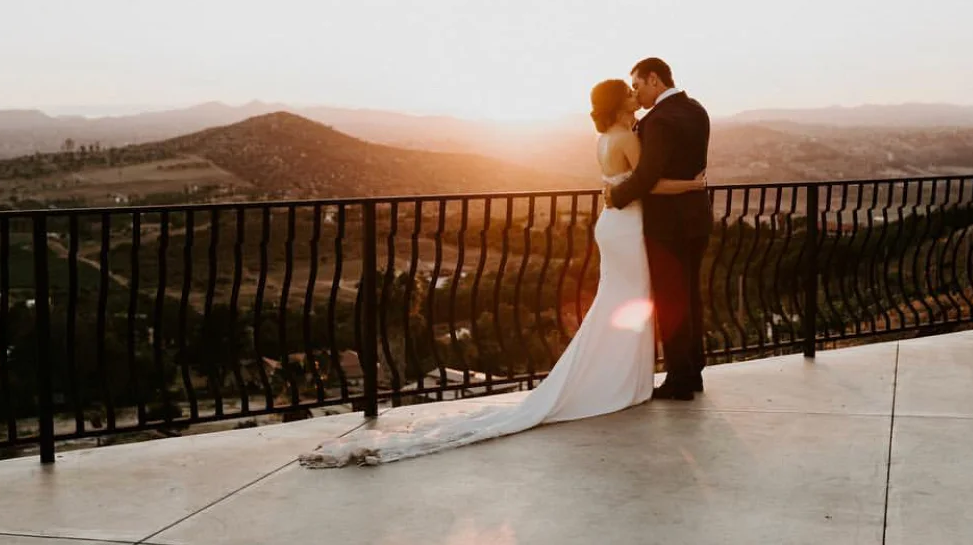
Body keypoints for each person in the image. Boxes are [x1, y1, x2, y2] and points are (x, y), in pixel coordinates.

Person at [299, 76, 705, 467]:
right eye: (629, 92)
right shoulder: (628, 138)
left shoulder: (604, 140)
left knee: (615, 302)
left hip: (612, 226)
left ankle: (614, 379)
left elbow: (625, 183)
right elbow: (647, 183)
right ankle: (621, 383)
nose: (635, 96)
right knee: (629, 301)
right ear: (618, 104)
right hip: (628, 227)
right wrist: (691, 185)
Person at [605, 57, 713, 400]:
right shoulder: (697, 110)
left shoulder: (659, 120)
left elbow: (647, 176)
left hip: (667, 225)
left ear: (654, 79)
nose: (636, 93)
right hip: (697, 218)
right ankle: (693, 371)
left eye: (637, 85)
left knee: (670, 300)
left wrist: (615, 195)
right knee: (691, 296)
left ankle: (679, 379)